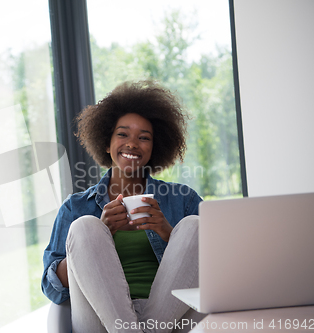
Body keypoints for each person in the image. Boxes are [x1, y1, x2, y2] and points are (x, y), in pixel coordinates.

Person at [42, 80, 206, 332]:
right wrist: (100, 234)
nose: (132, 143)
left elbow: (217, 274)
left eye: (144, 138)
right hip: (100, 321)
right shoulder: (75, 207)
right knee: (86, 226)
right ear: (106, 144)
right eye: (122, 134)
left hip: (169, 319)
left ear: (154, 148)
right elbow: (52, 289)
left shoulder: (183, 199)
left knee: (194, 226)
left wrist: (167, 232)